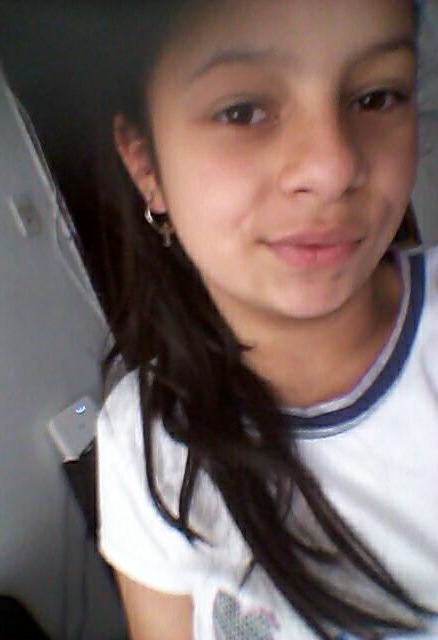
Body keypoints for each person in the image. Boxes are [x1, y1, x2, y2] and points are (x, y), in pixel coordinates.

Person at [94, 1, 438, 638]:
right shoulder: (142, 441)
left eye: (376, 97)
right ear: (145, 165)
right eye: (242, 111)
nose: (333, 169)